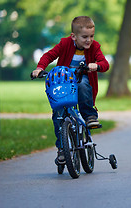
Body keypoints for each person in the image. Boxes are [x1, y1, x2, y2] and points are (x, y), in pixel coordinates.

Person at [32, 16, 109, 164]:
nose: (89, 40)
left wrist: (96, 65)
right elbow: (49, 55)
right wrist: (40, 68)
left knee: (83, 83)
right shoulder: (65, 43)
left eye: (91, 36)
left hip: (81, 80)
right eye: (85, 37)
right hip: (64, 81)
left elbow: (104, 63)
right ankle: (62, 149)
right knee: (58, 116)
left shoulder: (95, 47)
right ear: (73, 36)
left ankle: (89, 116)